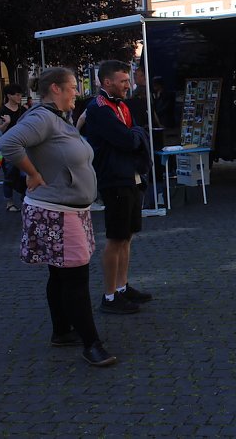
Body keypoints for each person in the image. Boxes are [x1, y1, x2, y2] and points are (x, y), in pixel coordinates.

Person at [0, 68, 116, 366]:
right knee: (75, 278)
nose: (76, 92)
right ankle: (92, 344)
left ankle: (62, 331)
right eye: (73, 87)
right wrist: (33, 173)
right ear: (55, 89)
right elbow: (7, 144)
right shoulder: (41, 117)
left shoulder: (55, 118)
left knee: (60, 274)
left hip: (68, 210)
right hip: (57, 212)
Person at [83, 60, 153, 314]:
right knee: (115, 239)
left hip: (131, 177)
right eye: (123, 81)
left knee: (127, 236)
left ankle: (122, 287)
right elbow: (127, 139)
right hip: (114, 179)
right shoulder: (99, 108)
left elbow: (136, 132)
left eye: (129, 80)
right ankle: (110, 296)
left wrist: (136, 135)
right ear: (107, 82)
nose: (128, 85)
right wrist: (136, 136)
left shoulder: (121, 105)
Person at [0, 84, 28, 211]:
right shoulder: (1, 112)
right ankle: (9, 203)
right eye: (16, 94)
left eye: (20, 94)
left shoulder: (24, 110)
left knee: (25, 174)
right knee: (10, 175)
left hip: (23, 146)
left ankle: (24, 197)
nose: (19, 97)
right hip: (8, 148)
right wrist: (6, 123)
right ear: (9, 96)